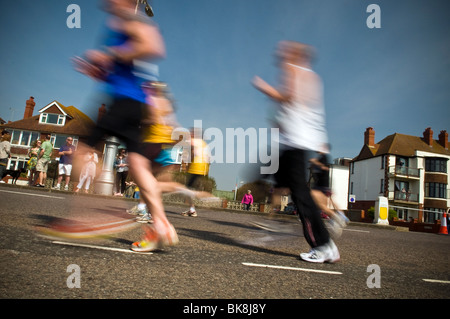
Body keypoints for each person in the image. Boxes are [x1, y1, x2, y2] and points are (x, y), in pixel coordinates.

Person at [68, 0, 178, 252]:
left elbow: (153, 46)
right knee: (138, 167)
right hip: (133, 103)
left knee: (83, 148)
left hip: (124, 102)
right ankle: (161, 224)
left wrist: (110, 54)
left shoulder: (130, 19)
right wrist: (97, 69)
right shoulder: (119, 22)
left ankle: (84, 220)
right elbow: (117, 70)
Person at [253, 41, 339, 263]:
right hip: (290, 143)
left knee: (300, 194)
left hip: (296, 144)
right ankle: (279, 222)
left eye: (285, 52)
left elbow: (289, 97)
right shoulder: (302, 74)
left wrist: (266, 89)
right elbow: (292, 106)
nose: (280, 56)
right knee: (267, 175)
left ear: (296, 55)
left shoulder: (299, 73)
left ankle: (323, 245)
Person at [309, 150, 349, 238]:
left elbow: (325, 168)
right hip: (319, 186)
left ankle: (338, 217)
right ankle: (335, 220)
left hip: (322, 186)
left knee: (323, 204)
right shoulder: (320, 158)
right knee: (323, 204)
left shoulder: (324, 157)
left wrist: (315, 162)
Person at [180, 127, 211, 217]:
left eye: (191, 133)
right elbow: (208, 158)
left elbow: (192, 152)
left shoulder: (193, 141)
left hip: (195, 167)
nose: (190, 134)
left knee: (187, 189)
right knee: (189, 189)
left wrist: (188, 164)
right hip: (203, 169)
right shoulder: (205, 144)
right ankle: (192, 208)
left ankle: (193, 209)